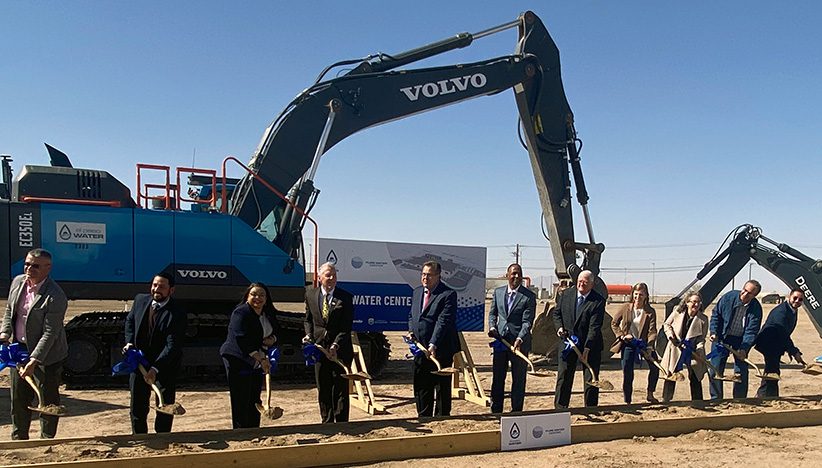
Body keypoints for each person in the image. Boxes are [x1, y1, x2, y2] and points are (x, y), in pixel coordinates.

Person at [0, 248, 68, 440]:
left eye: (35, 266)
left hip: (47, 355)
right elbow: (9, 310)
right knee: (18, 398)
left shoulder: (55, 296)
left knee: (46, 399)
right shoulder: (17, 282)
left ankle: (46, 440)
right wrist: (5, 333)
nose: (29, 268)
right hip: (19, 351)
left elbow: (50, 333)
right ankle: (19, 438)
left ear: (48, 268)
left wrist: (35, 360)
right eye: (27, 264)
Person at [123, 272, 186, 434]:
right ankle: (139, 437)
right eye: (155, 285)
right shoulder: (140, 300)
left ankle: (162, 437)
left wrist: (155, 369)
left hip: (164, 366)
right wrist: (129, 342)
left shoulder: (177, 313)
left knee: (164, 406)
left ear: (171, 290)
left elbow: (172, 345)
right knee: (138, 406)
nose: (157, 289)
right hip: (139, 362)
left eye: (162, 287)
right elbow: (130, 321)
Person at [220, 282, 280, 428]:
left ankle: (254, 430)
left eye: (261, 295)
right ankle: (241, 432)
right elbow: (241, 339)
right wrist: (260, 358)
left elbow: (278, 331)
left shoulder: (268, 314)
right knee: (241, 397)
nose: (257, 298)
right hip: (239, 358)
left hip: (258, 360)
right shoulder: (240, 313)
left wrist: (273, 339)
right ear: (247, 296)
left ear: (266, 299)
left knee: (254, 397)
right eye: (253, 294)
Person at [304, 262, 355, 423]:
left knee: (340, 388)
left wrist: (335, 345)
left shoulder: (346, 297)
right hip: (319, 349)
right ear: (319, 278)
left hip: (340, 350)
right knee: (323, 387)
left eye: (334, 275)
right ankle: (326, 420)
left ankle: (341, 422)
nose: (331, 278)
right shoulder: (311, 295)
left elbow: (346, 327)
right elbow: (308, 320)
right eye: (328, 275)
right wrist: (309, 336)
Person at [407, 260, 459, 417]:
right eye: (423, 274)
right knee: (422, 384)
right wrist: (411, 330)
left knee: (441, 386)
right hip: (420, 349)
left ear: (438, 276)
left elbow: (443, 322)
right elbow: (412, 315)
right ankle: (424, 416)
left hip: (440, 349)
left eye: (429, 275)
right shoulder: (417, 292)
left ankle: (442, 418)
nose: (425, 278)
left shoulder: (448, 294)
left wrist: (433, 344)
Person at [552, 270, 606, 409]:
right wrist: (559, 328)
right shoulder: (565, 295)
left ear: (592, 284)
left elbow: (594, 326)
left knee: (591, 379)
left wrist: (587, 348)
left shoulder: (598, 301)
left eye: (585, 282)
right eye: (580, 281)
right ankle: (560, 407)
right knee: (564, 376)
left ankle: (590, 408)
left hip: (590, 345)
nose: (581, 284)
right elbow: (557, 314)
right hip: (568, 343)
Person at [488, 263, 537, 413]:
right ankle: (496, 410)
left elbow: (527, 321)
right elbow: (492, 314)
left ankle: (516, 410)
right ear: (507, 275)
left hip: (519, 344)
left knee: (519, 378)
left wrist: (520, 338)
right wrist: (492, 327)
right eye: (513, 273)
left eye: (519, 273)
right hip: (501, 341)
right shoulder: (498, 293)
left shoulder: (528, 297)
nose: (516, 276)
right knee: (498, 377)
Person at [707, 280, 763, 399]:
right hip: (722, 337)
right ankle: (716, 398)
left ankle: (740, 398)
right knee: (715, 368)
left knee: (741, 370)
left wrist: (744, 348)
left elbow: (751, 331)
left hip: (741, 340)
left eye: (749, 293)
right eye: (744, 289)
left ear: (754, 296)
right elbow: (716, 315)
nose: (744, 293)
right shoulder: (728, 297)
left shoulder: (756, 308)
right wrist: (713, 332)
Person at [609, 282, 659, 404]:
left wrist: (650, 346)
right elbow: (614, 323)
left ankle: (650, 394)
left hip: (644, 345)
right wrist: (621, 335)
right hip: (628, 344)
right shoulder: (626, 307)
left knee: (655, 367)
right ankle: (628, 400)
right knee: (627, 371)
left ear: (646, 295)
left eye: (641, 295)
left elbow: (652, 331)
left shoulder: (650, 311)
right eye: (636, 294)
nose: (638, 297)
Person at [754, 288, 806, 397]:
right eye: (795, 298)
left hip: (777, 343)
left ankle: (769, 396)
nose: (797, 301)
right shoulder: (781, 312)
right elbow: (782, 333)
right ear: (789, 297)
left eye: (800, 299)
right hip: (768, 343)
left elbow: (784, 335)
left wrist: (792, 350)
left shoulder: (792, 310)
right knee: (772, 373)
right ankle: (764, 396)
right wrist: (794, 351)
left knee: (772, 371)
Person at [660, 292, 709, 402]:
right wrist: (671, 336)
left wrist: (699, 350)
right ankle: (666, 400)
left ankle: (697, 401)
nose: (696, 305)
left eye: (698, 302)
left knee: (695, 375)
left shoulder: (703, 319)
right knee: (671, 374)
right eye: (693, 302)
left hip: (692, 350)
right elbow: (666, 324)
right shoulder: (677, 313)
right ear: (687, 303)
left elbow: (702, 338)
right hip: (675, 347)